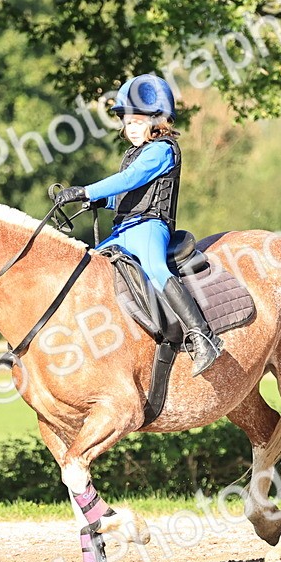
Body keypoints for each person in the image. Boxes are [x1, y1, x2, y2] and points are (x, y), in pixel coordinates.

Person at [53, 73, 224, 376]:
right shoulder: (135, 153)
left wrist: (86, 190)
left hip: (149, 228)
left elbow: (129, 180)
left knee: (156, 268)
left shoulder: (162, 150)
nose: (129, 128)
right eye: (127, 122)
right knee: (87, 269)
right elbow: (126, 197)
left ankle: (202, 336)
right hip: (123, 231)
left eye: (136, 121)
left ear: (157, 120)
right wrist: (100, 202)